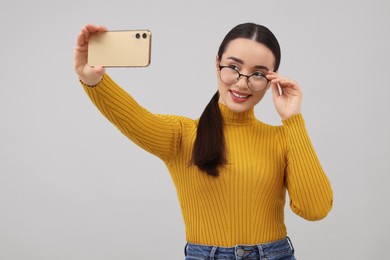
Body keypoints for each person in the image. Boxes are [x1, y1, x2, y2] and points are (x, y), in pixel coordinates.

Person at [74, 23, 333, 260]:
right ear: (217, 63)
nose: (242, 83)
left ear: (270, 80)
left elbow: (315, 209)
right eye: (233, 67)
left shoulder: (283, 138)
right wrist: (92, 79)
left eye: (258, 74)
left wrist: (293, 119)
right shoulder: (181, 135)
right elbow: (130, 116)